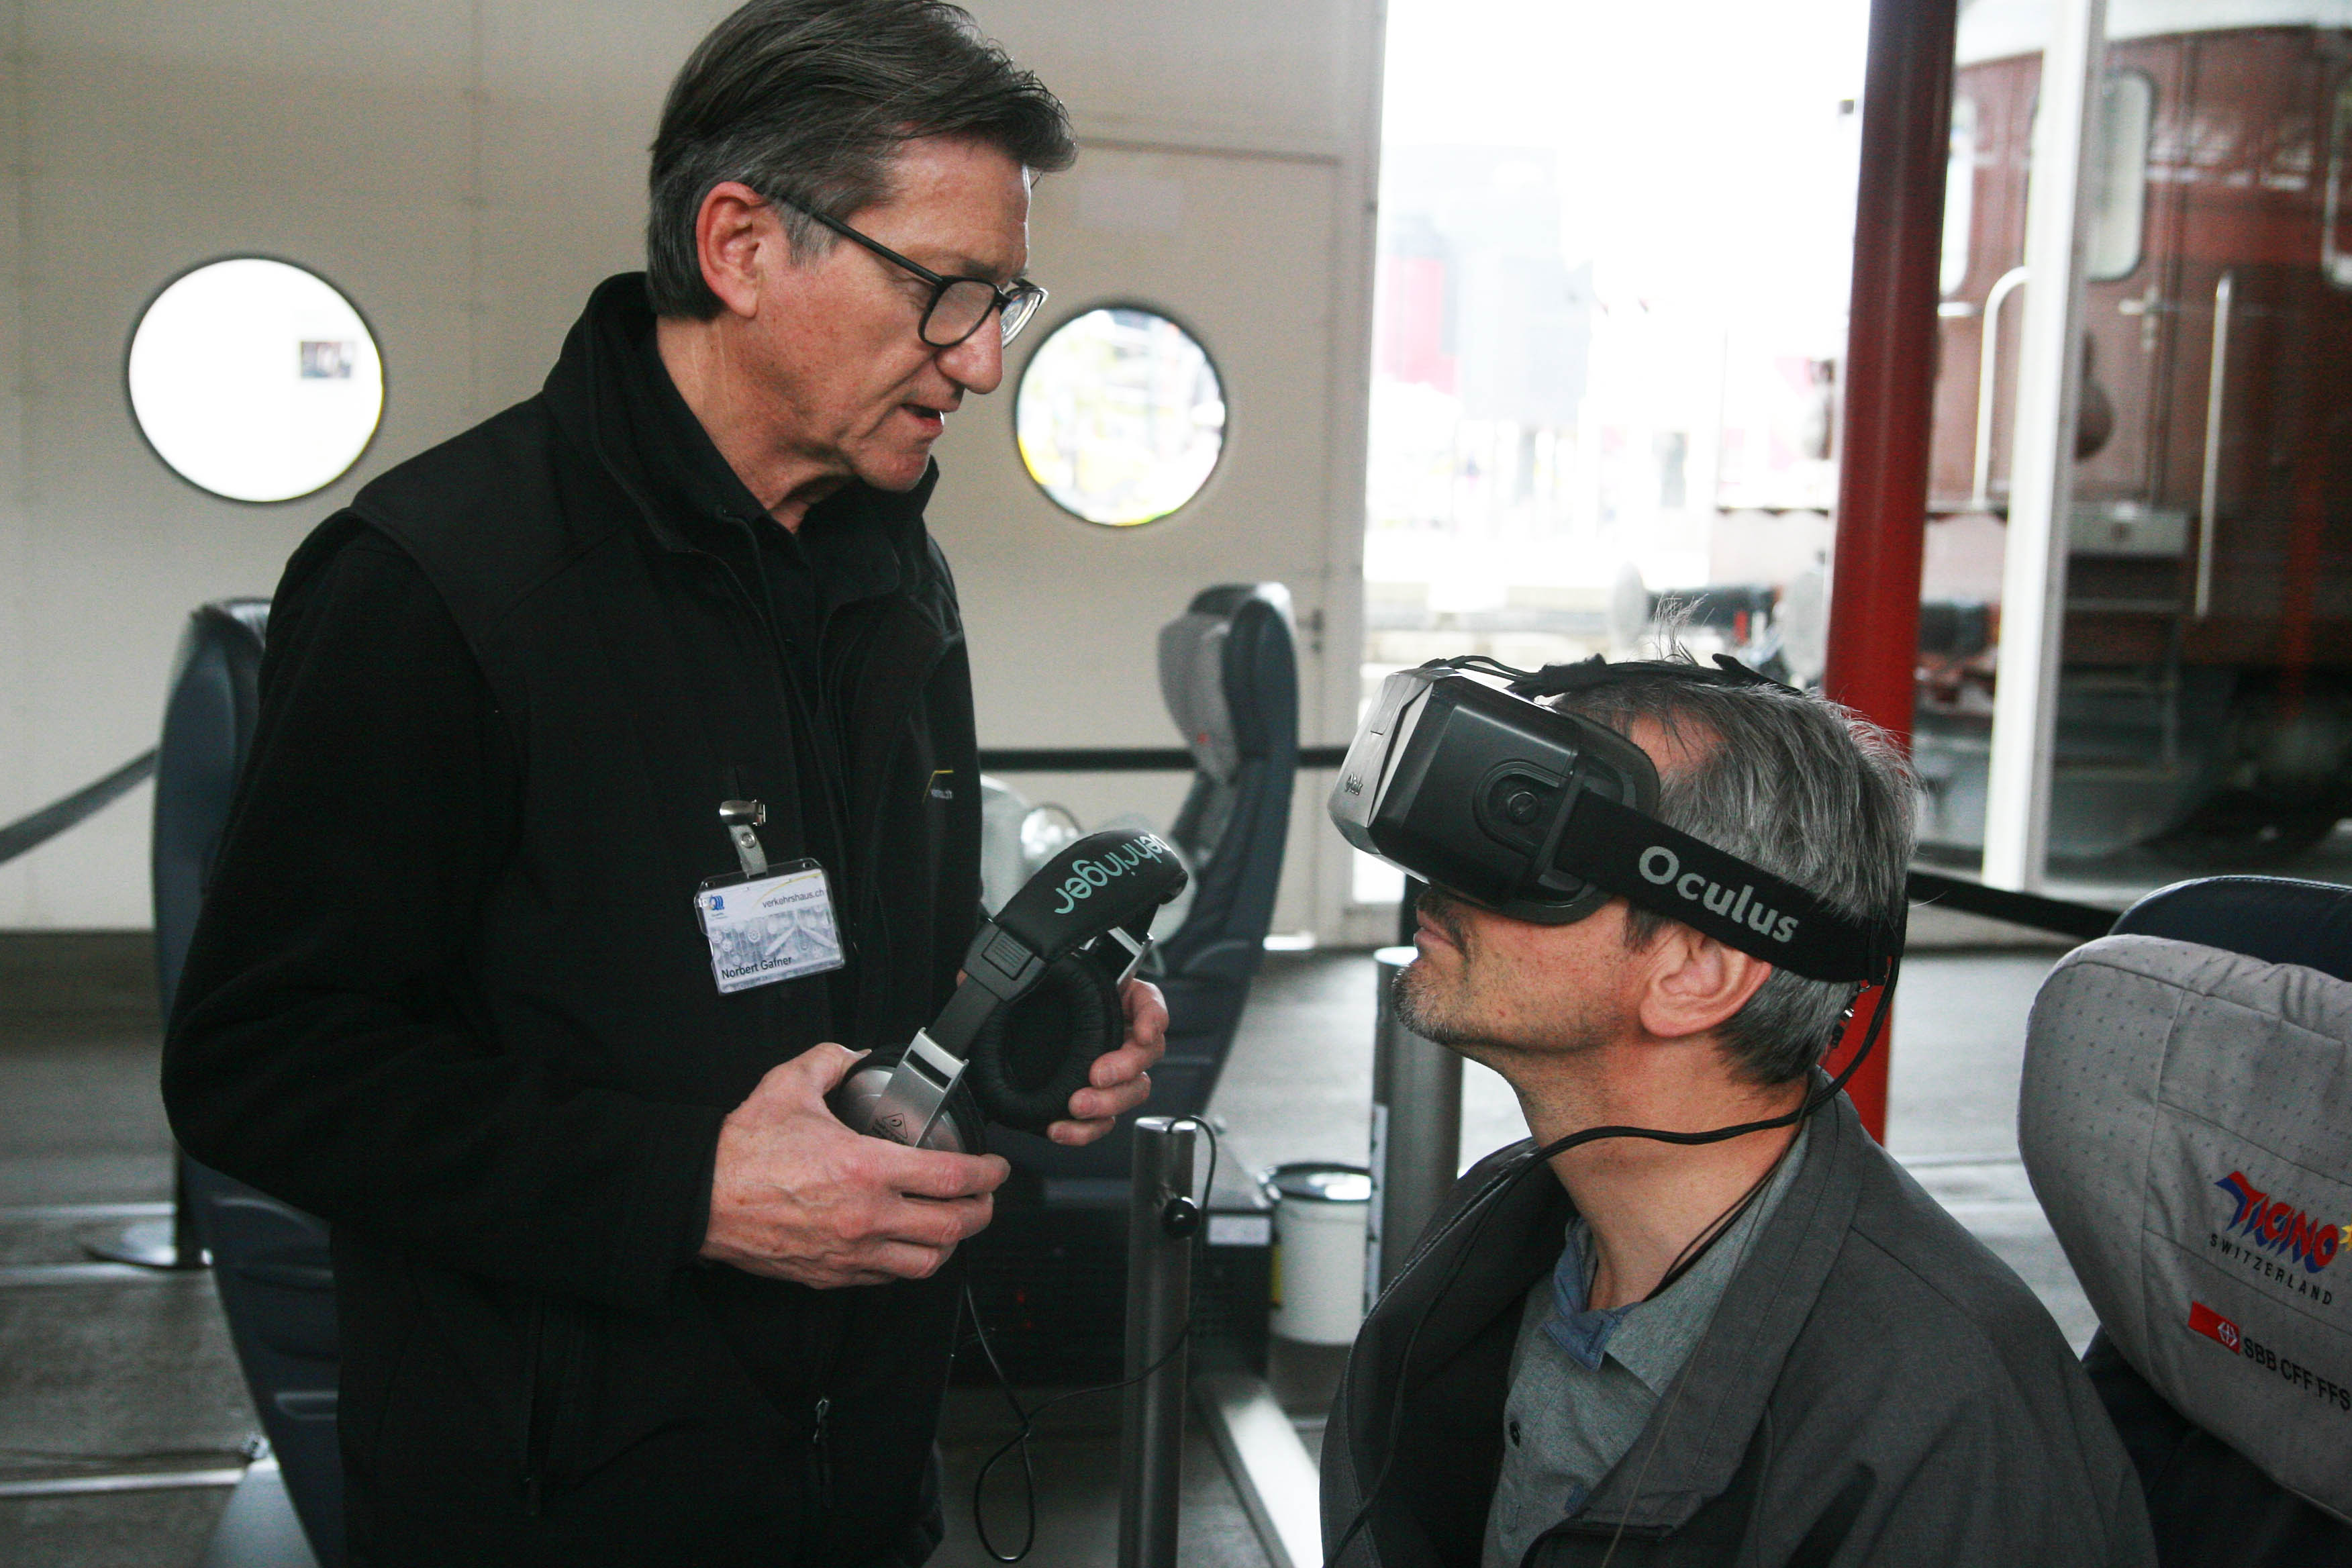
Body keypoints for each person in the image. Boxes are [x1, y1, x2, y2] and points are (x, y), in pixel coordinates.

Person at [159, 4, 1161, 1562]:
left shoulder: (897, 574)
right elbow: (260, 1062)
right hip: (554, 1495)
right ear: (743, 242)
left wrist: (1023, 1019)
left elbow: (868, 942)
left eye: (1004, 299)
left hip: (858, 1465)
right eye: (942, 293)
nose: (978, 359)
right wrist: (684, 1184)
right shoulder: (441, 585)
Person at [1321, 660, 2157, 1567]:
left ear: (1698, 972)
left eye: (1532, 838)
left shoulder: (1936, 1416)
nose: (1440, 877)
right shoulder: (1504, 1221)